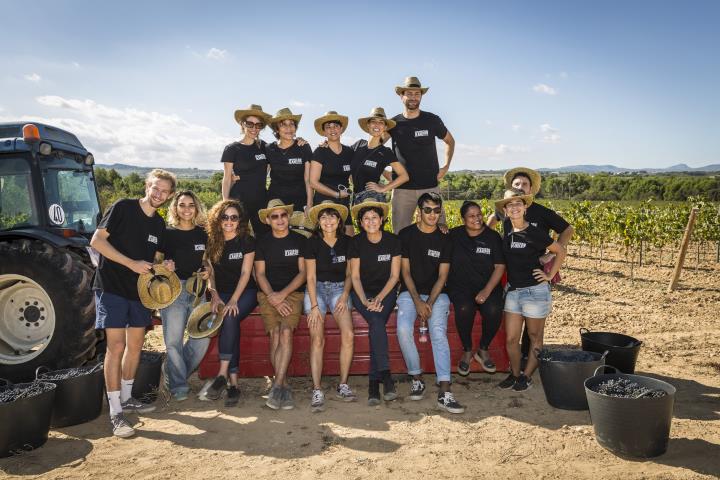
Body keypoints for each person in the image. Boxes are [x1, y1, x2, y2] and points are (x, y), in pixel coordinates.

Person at [90, 169, 176, 438]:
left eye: (164, 191)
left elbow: (153, 259)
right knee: (116, 347)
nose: (159, 194)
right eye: (155, 188)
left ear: (170, 195)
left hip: (140, 293)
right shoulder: (123, 208)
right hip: (111, 287)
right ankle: (116, 414)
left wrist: (165, 266)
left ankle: (127, 398)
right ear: (147, 186)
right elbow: (96, 242)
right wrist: (131, 264)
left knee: (136, 347)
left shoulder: (158, 225)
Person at [487, 167, 574, 363]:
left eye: (524, 184)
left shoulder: (542, 212)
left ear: (531, 189)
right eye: (516, 184)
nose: (520, 187)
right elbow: (491, 221)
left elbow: (568, 229)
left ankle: (528, 355)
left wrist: (552, 254)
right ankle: (518, 357)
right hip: (514, 270)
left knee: (532, 319)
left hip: (535, 270)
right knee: (516, 314)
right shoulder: (508, 209)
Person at [396, 192, 464, 414]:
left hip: (438, 294)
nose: (432, 214)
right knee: (404, 329)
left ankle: (445, 389)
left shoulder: (445, 238)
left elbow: (443, 276)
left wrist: (430, 303)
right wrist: (417, 301)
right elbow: (404, 272)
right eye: (428, 210)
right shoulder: (406, 235)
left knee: (437, 331)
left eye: (437, 210)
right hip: (410, 292)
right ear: (419, 211)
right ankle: (417, 377)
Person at [495, 189, 566, 392]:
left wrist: (550, 275)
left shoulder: (535, 232)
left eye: (518, 203)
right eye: (510, 204)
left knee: (535, 337)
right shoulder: (507, 227)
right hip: (514, 292)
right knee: (511, 339)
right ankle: (515, 374)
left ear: (525, 207)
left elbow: (560, 250)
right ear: (506, 210)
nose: (514, 207)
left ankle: (526, 376)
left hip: (535, 292)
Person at [202, 200, 259, 407]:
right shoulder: (211, 241)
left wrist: (234, 299)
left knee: (231, 314)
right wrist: (215, 295)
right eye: (225, 217)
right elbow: (211, 274)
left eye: (234, 218)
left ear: (239, 221)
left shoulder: (247, 241)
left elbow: (246, 273)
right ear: (218, 219)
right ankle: (233, 385)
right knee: (230, 320)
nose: (229, 221)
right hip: (221, 292)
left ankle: (222, 374)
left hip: (246, 292)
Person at [254, 199, 307, 410]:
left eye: (283, 215)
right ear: (268, 220)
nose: (280, 219)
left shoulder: (300, 241)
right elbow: (259, 274)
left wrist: (283, 294)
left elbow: (303, 273)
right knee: (275, 333)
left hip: (293, 294)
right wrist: (273, 298)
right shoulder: (262, 242)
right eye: (274, 216)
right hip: (267, 294)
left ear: (288, 217)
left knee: (286, 332)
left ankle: (277, 385)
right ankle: (283, 386)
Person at [158, 191, 211, 402]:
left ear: (196, 208)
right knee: (173, 341)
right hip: (173, 290)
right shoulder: (167, 233)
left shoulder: (203, 233)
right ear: (175, 208)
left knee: (203, 337)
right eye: (182, 205)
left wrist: (207, 270)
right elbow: (155, 262)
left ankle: (173, 372)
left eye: (191, 205)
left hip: (198, 289)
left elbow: (207, 260)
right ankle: (178, 385)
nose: (187, 209)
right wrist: (163, 266)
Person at [347, 198, 401, 406]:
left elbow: (394, 277)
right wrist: (365, 300)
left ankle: (374, 382)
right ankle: (385, 376)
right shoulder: (356, 243)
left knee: (376, 323)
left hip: (386, 292)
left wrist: (378, 299)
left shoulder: (393, 241)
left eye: (374, 218)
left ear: (382, 219)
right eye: (366, 218)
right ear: (361, 222)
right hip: (361, 293)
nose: (371, 222)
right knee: (377, 322)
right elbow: (355, 277)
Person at [303, 201, 356, 411]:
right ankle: (317, 389)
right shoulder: (312, 243)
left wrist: (344, 296)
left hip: (339, 290)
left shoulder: (348, 242)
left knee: (349, 334)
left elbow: (351, 274)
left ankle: (343, 384)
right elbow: (310, 276)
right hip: (316, 290)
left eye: (332, 216)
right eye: (324, 217)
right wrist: (314, 306)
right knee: (317, 338)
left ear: (339, 220)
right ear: (318, 221)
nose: (328, 221)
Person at [387, 76, 455, 233]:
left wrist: (446, 167)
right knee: (400, 234)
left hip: (430, 187)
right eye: (409, 93)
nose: (413, 97)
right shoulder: (393, 124)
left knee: (440, 231)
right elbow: (375, 146)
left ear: (421, 96)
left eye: (417, 93)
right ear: (401, 95)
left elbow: (450, 141)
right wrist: (384, 172)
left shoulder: (432, 120)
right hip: (402, 190)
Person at [447, 201, 506, 376]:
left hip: (488, 286)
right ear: (463, 219)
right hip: (460, 287)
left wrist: (486, 291)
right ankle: (467, 350)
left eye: (479, 214)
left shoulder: (492, 237)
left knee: (494, 309)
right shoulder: (453, 235)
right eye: (471, 216)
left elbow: (500, 267)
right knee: (464, 308)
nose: (477, 218)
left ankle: (483, 349)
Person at [221, 104, 272, 236]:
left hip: (261, 201)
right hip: (239, 200)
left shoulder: (265, 147)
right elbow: (226, 179)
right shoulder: (232, 149)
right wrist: (225, 203)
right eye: (250, 124)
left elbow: (282, 151)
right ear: (242, 124)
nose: (254, 128)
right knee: (237, 236)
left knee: (264, 237)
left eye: (258, 125)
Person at [351, 107, 409, 207]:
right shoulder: (358, 145)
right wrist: (327, 143)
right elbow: (340, 154)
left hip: (372, 198)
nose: (377, 125)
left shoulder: (385, 152)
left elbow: (404, 176)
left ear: (385, 127)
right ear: (368, 125)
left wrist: (384, 188)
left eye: (381, 122)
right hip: (355, 198)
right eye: (373, 121)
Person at [308, 111, 355, 235]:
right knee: (325, 243)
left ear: (341, 129)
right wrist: (336, 194)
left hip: (344, 203)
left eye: (335, 126)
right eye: (328, 127)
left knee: (349, 240)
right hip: (324, 204)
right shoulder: (319, 152)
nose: (332, 129)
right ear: (324, 131)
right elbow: (313, 182)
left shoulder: (349, 152)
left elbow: (353, 177)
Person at [266, 108, 314, 213]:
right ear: (276, 129)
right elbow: (261, 175)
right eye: (283, 124)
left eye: (292, 124)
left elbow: (308, 180)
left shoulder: (304, 147)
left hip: (300, 202)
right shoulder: (269, 149)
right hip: (276, 203)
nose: (289, 128)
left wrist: (309, 204)